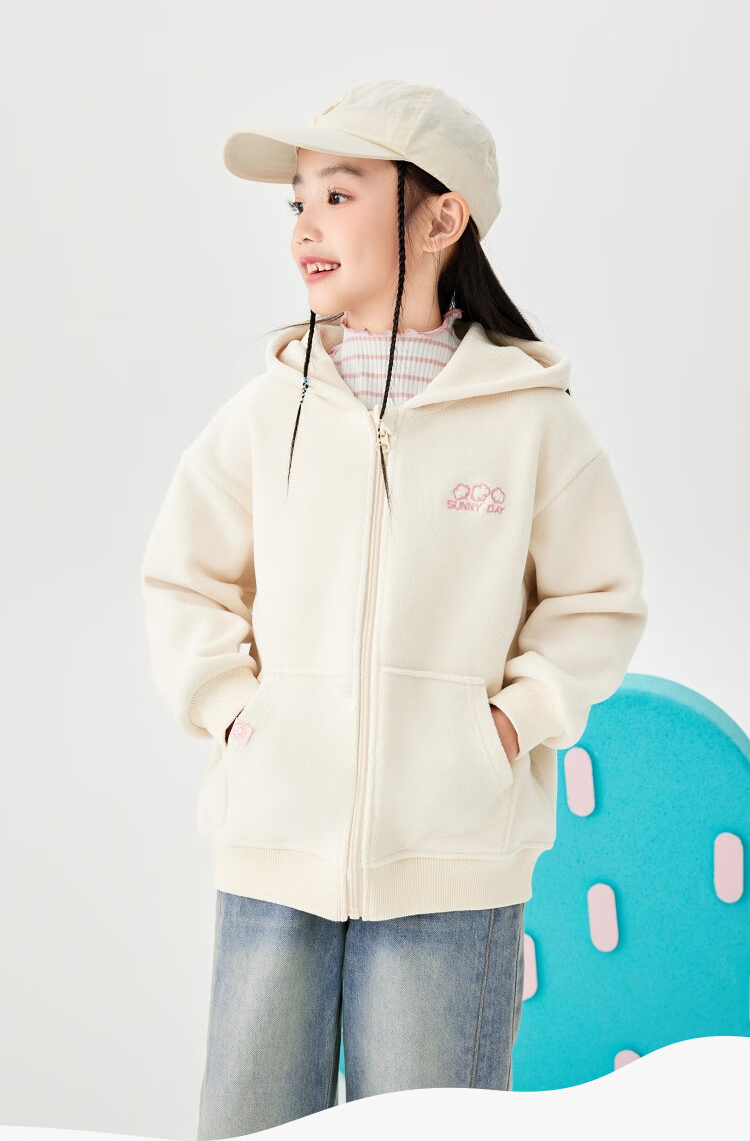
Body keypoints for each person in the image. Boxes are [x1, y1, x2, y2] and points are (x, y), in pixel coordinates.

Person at [140, 78, 648, 1135]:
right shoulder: (265, 412)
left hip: (455, 858)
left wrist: (507, 722)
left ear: (441, 216)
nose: (305, 228)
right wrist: (236, 714)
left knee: (427, 1125)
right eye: (297, 203)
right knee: (249, 1121)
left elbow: (597, 600)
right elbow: (186, 577)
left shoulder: (532, 420)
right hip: (276, 840)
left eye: (339, 195)